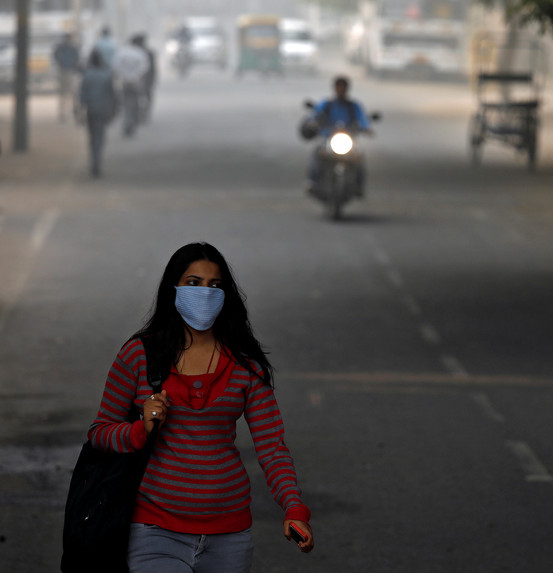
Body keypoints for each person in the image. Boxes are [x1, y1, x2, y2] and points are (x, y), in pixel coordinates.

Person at [87, 242, 314, 572]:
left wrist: (295, 508)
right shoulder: (138, 356)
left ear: (226, 295)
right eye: (193, 283)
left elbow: (271, 448)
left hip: (230, 536)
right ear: (173, 289)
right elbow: (100, 433)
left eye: (215, 285)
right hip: (154, 530)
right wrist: (142, 429)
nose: (205, 293)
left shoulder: (245, 365)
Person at [307, 75, 373, 196]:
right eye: (339, 87)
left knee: (359, 157)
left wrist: (367, 128)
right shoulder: (327, 104)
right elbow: (315, 114)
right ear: (334, 88)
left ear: (347, 89)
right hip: (329, 138)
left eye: (343, 87)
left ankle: (358, 185)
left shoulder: (353, 106)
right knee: (317, 154)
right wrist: (313, 122)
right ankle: (313, 182)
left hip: (348, 139)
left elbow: (362, 118)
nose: (341, 90)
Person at [78, 50, 117, 178]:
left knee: (92, 137)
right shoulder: (107, 75)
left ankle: (94, 162)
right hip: (103, 110)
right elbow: (113, 95)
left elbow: (82, 96)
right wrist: (114, 110)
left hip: (91, 110)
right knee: (100, 137)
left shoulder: (87, 75)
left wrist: (79, 111)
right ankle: (97, 162)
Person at [112, 34, 151, 137]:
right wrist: (135, 76)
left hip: (124, 82)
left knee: (126, 104)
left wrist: (124, 75)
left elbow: (116, 66)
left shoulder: (122, 53)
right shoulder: (141, 53)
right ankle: (132, 123)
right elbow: (145, 68)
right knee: (135, 103)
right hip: (136, 82)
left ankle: (127, 123)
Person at [52, 33, 80, 123]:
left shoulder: (69, 48)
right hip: (66, 71)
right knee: (67, 94)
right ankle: (64, 114)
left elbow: (76, 58)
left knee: (69, 94)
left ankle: (70, 113)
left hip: (67, 71)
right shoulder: (66, 47)